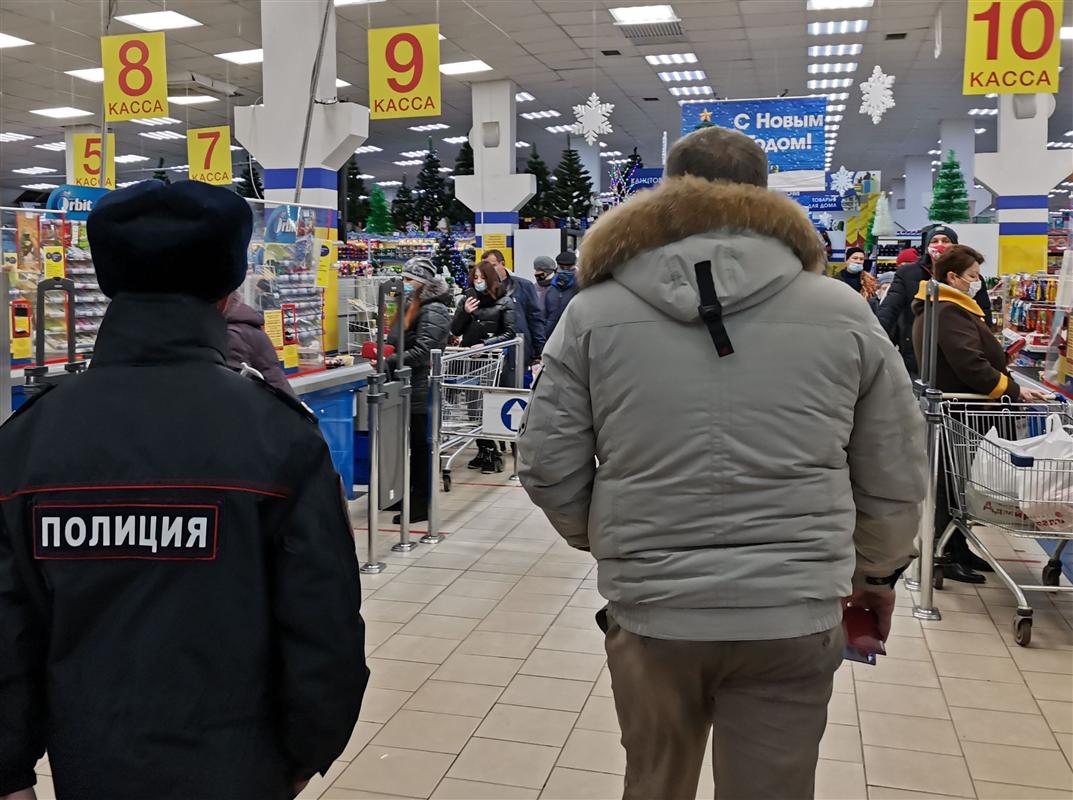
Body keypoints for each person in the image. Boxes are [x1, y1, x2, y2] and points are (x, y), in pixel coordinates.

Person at [517, 126, 925, 800]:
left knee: (653, 784)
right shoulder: (842, 311)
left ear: (668, 193)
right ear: (764, 197)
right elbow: (894, 471)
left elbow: (546, 464)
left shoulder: (593, 312)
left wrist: (614, 539)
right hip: (792, 613)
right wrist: (876, 572)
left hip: (652, 613)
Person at [0, 180, 368, 800]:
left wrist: (9, 770)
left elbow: (7, 624)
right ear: (227, 291)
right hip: (239, 763)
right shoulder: (280, 437)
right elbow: (323, 622)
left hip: (88, 763)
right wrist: (305, 752)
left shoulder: (29, 439)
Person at [911, 244, 1048, 584]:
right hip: (958, 410)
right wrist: (1010, 389)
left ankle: (956, 549)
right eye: (972, 276)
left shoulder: (949, 308)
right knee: (950, 483)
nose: (977, 283)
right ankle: (944, 555)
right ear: (953, 277)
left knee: (956, 483)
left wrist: (1009, 380)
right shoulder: (947, 311)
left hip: (962, 409)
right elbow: (969, 363)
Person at [384, 257, 452, 524]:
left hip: (421, 389)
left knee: (422, 448)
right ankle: (407, 494)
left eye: (409, 279)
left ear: (422, 282)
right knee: (409, 446)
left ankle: (422, 504)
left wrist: (390, 360)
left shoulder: (433, 309)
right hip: (407, 386)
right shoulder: (414, 306)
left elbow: (425, 352)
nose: (404, 283)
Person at [878, 225, 992, 378]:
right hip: (916, 355)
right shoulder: (908, 273)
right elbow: (888, 310)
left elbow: (984, 315)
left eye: (946, 241)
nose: (940, 245)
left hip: (958, 355)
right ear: (927, 247)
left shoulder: (971, 279)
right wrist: (876, 342)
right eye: (934, 241)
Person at [451, 260, 517, 474]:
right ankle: (484, 448)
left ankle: (491, 451)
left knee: (485, 406)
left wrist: (486, 344)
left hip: (492, 360)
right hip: (469, 360)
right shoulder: (467, 300)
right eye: (475, 278)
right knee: (472, 407)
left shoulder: (505, 301)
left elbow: (510, 332)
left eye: (481, 278)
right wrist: (465, 312)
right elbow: (456, 329)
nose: (478, 282)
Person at [222, 290, 297, 398]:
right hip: (280, 403)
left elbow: (235, 393)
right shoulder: (246, 326)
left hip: (270, 406)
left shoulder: (231, 334)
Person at [484, 248, 546, 369]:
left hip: (519, 346)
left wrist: (540, 349)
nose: (490, 271)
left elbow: (535, 318)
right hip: (492, 349)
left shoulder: (523, 286)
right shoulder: (483, 290)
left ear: (503, 264)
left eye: (494, 265)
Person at [543, 250, 579, 339]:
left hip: (573, 336)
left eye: (569, 268)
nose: (565, 271)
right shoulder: (549, 287)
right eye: (562, 268)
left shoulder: (581, 286)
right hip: (551, 336)